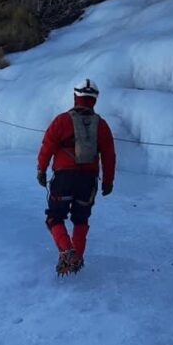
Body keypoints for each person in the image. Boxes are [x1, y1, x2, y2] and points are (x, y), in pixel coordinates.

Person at [36, 79, 116, 276]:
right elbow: (109, 155)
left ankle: (67, 250)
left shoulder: (62, 121)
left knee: (55, 217)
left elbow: (47, 146)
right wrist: (108, 182)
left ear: (75, 97)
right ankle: (77, 258)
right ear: (94, 100)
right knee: (81, 219)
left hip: (63, 178)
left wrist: (41, 170)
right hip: (88, 180)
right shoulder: (102, 125)